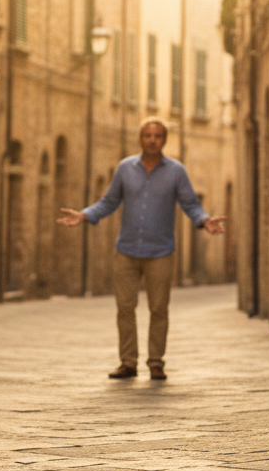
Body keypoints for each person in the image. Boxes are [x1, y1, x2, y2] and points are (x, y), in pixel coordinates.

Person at [56, 117, 226, 381]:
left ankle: (156, 362)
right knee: (125, 308)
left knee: (159, 309)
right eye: (148, 135)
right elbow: (109, 201)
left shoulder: (176, 171)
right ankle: (128, 362)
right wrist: (85, 215)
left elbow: (190, 203)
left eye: (158, 136)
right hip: (126, 250)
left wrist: (204, 221)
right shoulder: (125, 168)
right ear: (140, 139)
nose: (152, 140)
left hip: (160, 251)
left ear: (164, 140)